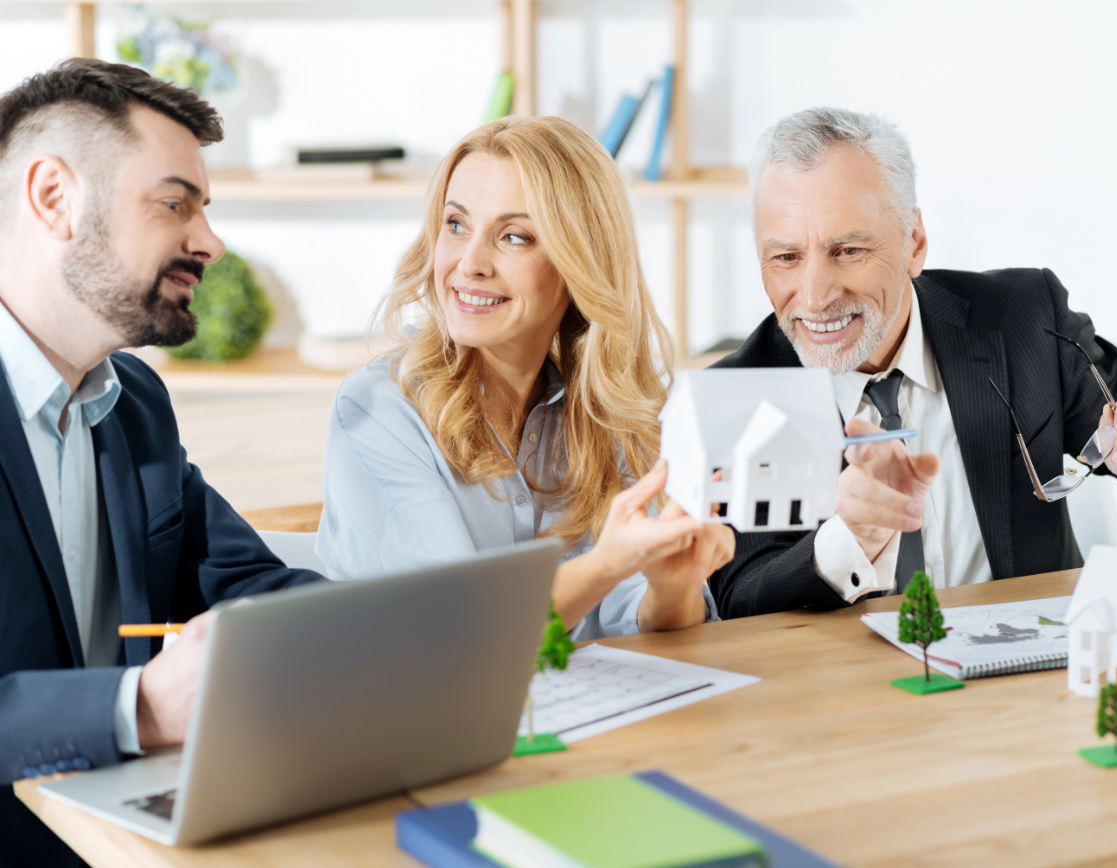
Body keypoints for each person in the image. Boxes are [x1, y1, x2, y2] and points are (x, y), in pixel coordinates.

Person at [0, 60, 323, 865]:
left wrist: (386, 636)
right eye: (175, 203)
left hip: (132, 834)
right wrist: (133, 708)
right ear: (54, 199)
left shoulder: (133, 401)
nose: (209, 242)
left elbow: (246, 584)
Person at [708, 108, 1117, 618]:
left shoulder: (1024, 317)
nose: (813, 298)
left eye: (848, 250)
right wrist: (847, 540)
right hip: (850, 690)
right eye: (786, 258)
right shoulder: (736, 397)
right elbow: (739, 597)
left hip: (1033, 672)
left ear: (914, 243)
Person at [316, 116, 733, 638]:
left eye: (514, 236)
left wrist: (670, 588)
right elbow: (458, 628)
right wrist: (607, 565)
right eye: (456, 225)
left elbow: (646, 627)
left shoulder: (609, 413)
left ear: (579, 264)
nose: (470, 263)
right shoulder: (379, 408)